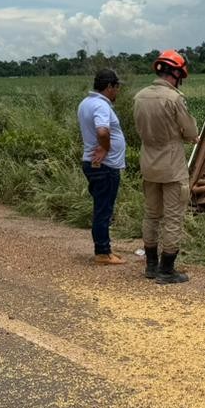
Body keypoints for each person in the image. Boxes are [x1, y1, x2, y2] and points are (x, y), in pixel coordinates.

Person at [133, 49, 198, 283]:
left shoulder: (139, 96)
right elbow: (191, 132)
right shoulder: (174, 99)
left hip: (148, 163)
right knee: (172, 218)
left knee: (151, 215)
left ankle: (150, 266)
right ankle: (166, 270)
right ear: (176, 73)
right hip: (172, 166)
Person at [77, 68, 127, 265]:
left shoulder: (86, 103)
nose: (117, 91)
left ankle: (104, 249)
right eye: (116, 87)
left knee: (101, 207)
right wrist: (105, 149)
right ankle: (103, 252)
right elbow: (103, 131)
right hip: (104, 165)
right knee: (103, 209)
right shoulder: (101, 106)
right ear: (109, 87)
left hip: (94, 164)